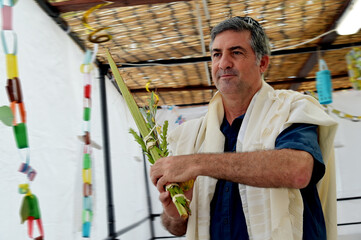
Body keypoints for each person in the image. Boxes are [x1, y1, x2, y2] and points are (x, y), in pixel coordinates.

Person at [150, 16, 338, 240]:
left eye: (236, 52)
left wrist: (198, 163)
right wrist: (175, 214)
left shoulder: (292, 109)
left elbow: (297, 171)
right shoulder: (192, 135)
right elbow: (177, 228)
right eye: (217, 54)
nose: (224, 63)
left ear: (263, 63)